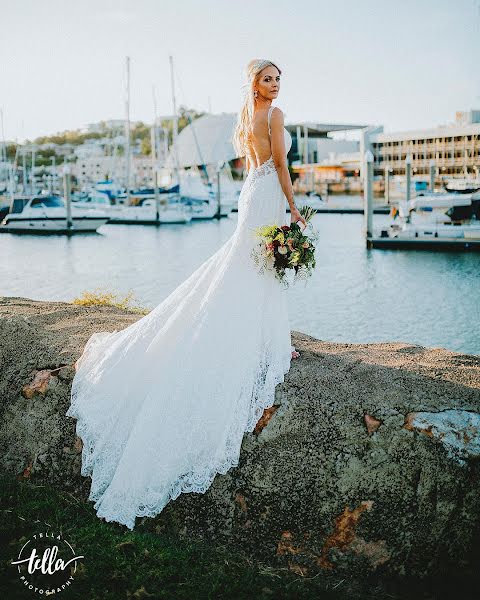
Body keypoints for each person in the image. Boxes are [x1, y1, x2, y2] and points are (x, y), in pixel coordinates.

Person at [66, 58, 307, 530]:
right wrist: (294, 209)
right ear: (255, 83)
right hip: (268, 194)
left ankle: (267, 336)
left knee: (250, 265)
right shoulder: (274, 117)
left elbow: (257, 163)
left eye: (279, 79)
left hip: (250, 193)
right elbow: (281, 163)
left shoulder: (245, 118)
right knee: (259, 266)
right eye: (268, 79)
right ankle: (268, 341)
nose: (276, 86)